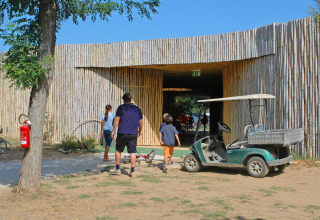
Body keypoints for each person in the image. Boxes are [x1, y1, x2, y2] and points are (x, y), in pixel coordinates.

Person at [110, 93, 143, 177]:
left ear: (123, 100)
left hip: (122, 132)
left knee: (118, 150)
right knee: (132, 151)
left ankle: (117, 169)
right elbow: (141, 121)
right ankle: (132, 171)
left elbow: (117, 119)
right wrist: (140, 130)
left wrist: (113, 130)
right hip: (133, 133)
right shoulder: (137, 109)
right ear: (131, 100)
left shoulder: (121, 107)